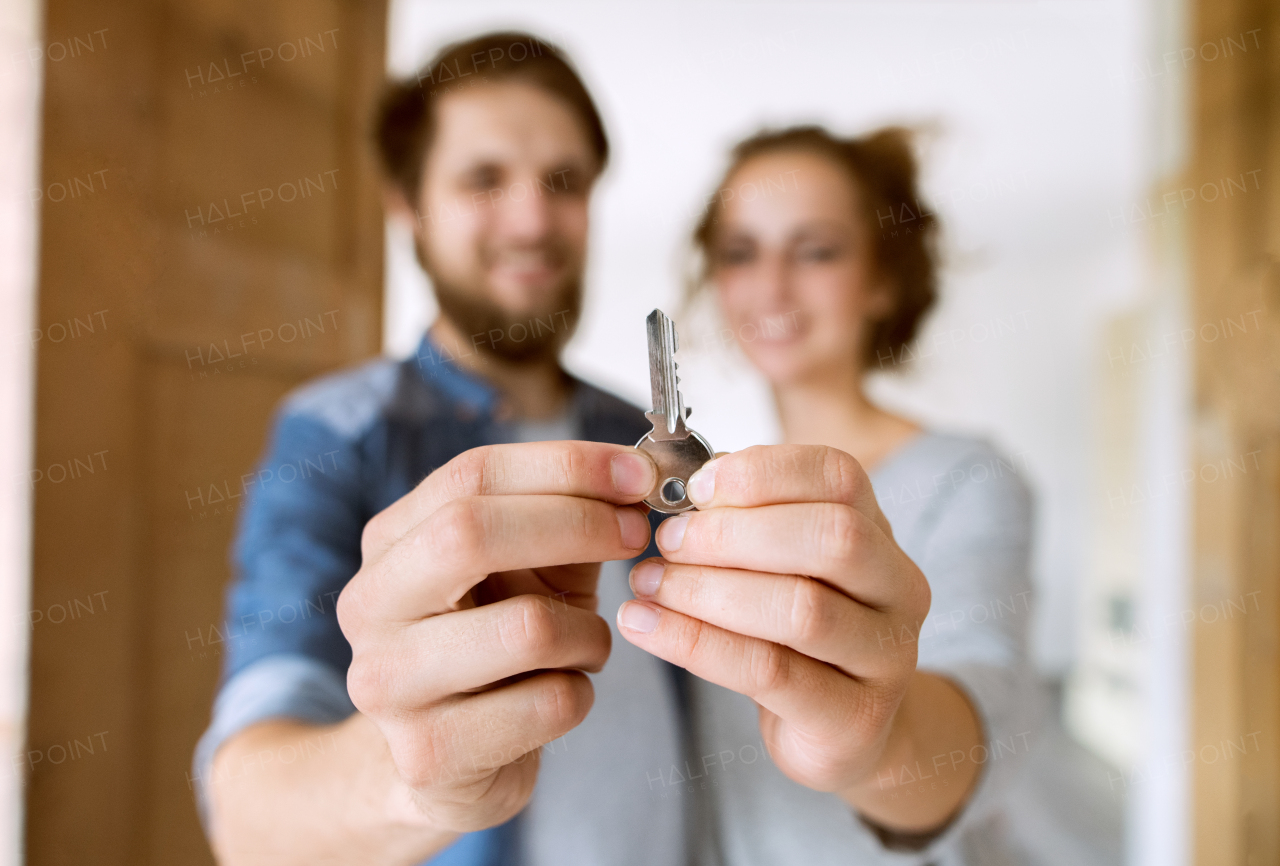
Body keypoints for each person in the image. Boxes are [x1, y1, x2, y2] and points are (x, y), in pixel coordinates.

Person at [193, 29, 1038, 866]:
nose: (532, 219)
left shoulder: (645, 440)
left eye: (563, 181)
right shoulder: (333, 433)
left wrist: (876, 739)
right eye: (484, 178)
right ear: (408, 206)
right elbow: (250, 820)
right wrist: (412, 781)